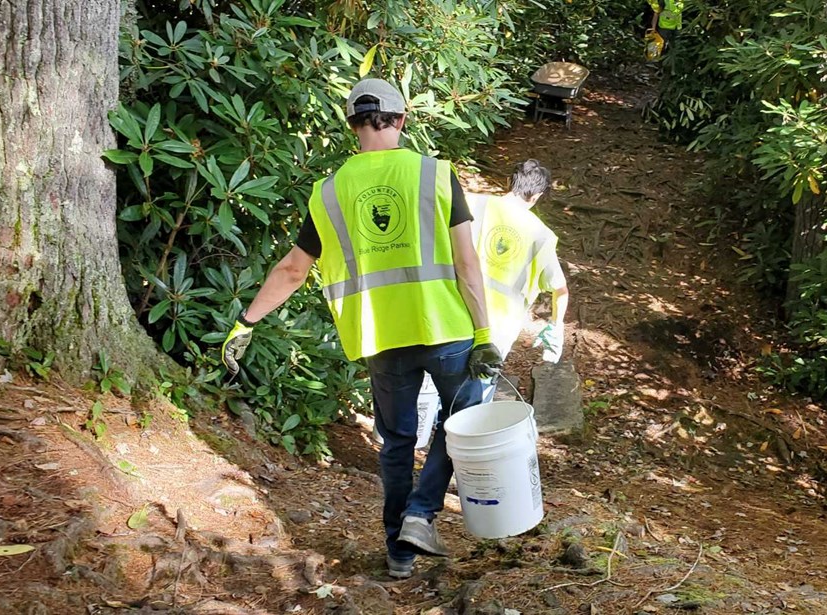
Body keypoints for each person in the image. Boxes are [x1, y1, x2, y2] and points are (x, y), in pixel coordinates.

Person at [218, 78, 501, 580]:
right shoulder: (435, 174)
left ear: (352, 125)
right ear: (401, 119)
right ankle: (421, 512)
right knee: (463, 419)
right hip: (446, 328)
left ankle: (399, 553)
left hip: (380, 337)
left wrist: (246, 322)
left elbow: (291, 269)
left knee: (395, 441)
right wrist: (484, 333)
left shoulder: (329, 192)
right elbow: (467, 263)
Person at [469, 160, 570, 393]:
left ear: (508, 182)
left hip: (453, 309)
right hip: (499, 326)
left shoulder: (473, 203)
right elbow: (560, 289)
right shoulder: (541, 235)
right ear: (537, 196)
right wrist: (556, 326)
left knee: (438, 386)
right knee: (479, 393)